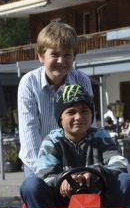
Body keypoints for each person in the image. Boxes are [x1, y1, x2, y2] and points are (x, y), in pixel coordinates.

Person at [19, 84, 130, 208]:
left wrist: (95, 172)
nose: (79, 117)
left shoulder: (100, 136)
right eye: (71, 112)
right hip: (59, 207)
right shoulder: (52, 141)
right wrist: (62, 180)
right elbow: (45, 175)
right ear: (60, 118)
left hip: (98, 204)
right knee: (30, 185)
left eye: (84, 111)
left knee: (126, 180)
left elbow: (120, 163)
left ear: (91, 114)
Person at [17, 21, 93, 178]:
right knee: (36, 192)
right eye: (55, 54)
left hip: (75, 159)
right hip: (37, 161)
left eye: (67, 55)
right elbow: (29, 132)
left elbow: (88, 124)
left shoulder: (82, 80)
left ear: (74, 57)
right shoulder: (29, 83)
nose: (61, 61)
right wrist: (49, 172)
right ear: (41, 57)